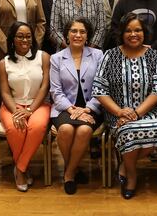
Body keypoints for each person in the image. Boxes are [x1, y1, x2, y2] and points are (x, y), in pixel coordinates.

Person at [93, 13, 157, 199]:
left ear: (144, 32)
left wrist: (137, 112)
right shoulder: (109, 55)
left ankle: (125, 164)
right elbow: (99, 89)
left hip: (149, 110)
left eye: (137, 30)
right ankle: (132, 176)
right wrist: (120, 112)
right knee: (127, 131)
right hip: (117, 112)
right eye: (128, 30)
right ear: (121, 33)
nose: (133, 34)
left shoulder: (154, 56)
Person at [49, 18, 104, 195]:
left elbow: (102, 86)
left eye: (82, 31)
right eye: (73, 31)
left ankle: (69, 173)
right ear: (66, 35)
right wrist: (73, 110)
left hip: (92, 107)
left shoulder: (98, 55)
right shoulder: (56, 58)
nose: (78, 35)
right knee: (65, 129)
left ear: (87, 36)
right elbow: (56, 91)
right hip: (65, 108)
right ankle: (74, 169)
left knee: (84, 131)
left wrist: (88, 109)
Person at [0, 22, 51, 191]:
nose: (25, 39)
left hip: (38, 103)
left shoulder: (43, 57)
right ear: (12, 39)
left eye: (28, 36)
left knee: (37, 126)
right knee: (15, 128)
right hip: (12, 104)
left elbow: (45, 86)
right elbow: (5, 93)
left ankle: (20, 168)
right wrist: (17, 111)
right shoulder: (3, 63)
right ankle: (24, 167)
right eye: (20, 36)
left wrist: (29, 110)